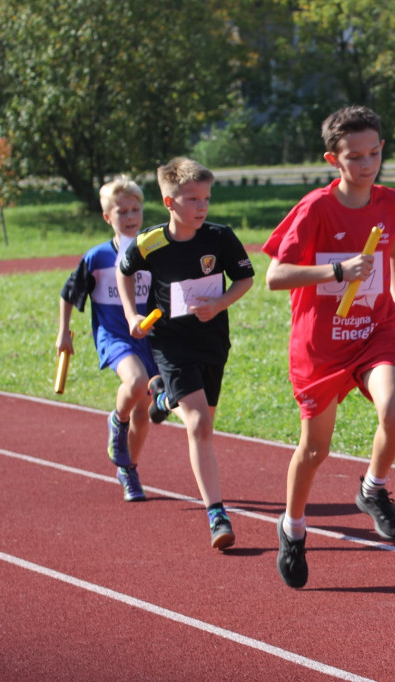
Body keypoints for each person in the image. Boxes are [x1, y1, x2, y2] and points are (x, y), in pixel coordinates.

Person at [263, 105, 395, 588]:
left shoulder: (392, 203)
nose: (366, 164)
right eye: (354, 157)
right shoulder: (315, 209)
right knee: (315, 450)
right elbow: (275, 276)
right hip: (320, 346)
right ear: (334, 159)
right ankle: (293, 527)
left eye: (373, 153)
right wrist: (336, 271)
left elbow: (391, 251)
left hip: (375, 332)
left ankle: (374, 489)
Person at [116, 157, 254, 550]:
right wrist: (132, 314)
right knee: (198, 425)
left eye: (206, 198)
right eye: (192, 198)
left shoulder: (220, 237)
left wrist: (220, 303)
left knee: (205, 420)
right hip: (170, 340)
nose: (202, 206)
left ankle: (162, 397)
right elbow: (124, 271)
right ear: (169, 202)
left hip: (212, 342)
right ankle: (217, 513)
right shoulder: (151, 242)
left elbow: (245, 278)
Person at [57, 175, 156, 502]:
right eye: (122, 212)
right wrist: (63, 333)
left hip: (150, 337)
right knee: (136, 380)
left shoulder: (153, 251)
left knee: (144, 414)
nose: (130, 218)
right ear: (107, 217)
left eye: (135, 210)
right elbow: (68, 293)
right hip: (114, 335)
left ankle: (129, 468)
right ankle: (117, 419)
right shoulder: (97, 257)